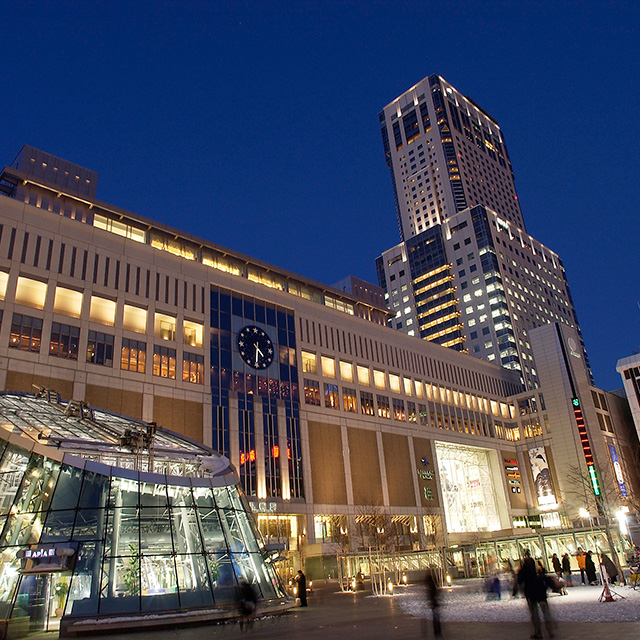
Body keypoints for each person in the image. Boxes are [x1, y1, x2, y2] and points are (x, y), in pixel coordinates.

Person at [517, 550, 553, 639]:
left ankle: (538, 632)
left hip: (531, 593)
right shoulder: (537, 568)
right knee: (545, 612)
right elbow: (544, 577)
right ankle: (550, 631)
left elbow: (519, 581)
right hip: (540, 592)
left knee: (535, 614)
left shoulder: (524, 570)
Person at [424, 569, 442, 637]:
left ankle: (437, 631)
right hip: (434, 602)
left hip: (433, 602)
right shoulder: (432, 586)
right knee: (436, 617)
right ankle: (438, 631)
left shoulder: (430, 586)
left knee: (436, 617)